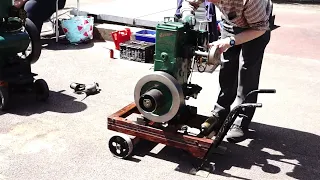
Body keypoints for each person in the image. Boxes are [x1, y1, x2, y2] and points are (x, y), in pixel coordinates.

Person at [179, 0, 273, 143]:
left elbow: (260, 28)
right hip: (231, 23)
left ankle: (241, 120)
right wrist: (187, 12)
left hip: (256, 28)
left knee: (247, 72)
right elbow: (189, 2)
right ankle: (220, 112)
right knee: (227, 67)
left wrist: (230, 41)